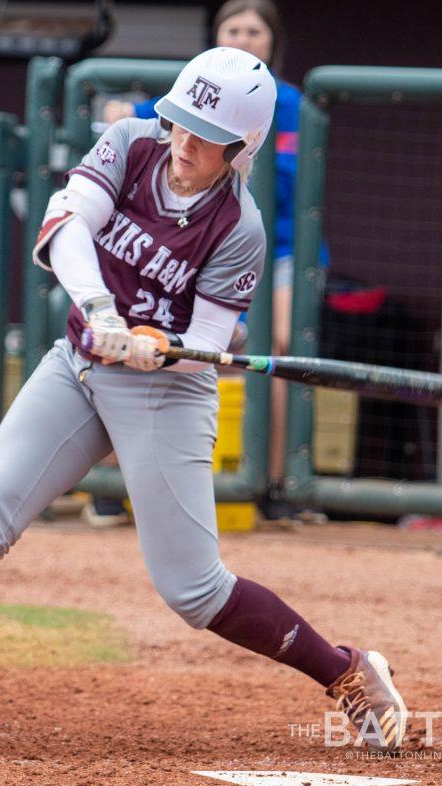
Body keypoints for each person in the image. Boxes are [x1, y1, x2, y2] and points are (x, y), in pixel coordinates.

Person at [0, 48, 408, 753]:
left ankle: (347, 671)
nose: (182, 142)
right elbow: (66, 226)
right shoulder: (128, 144)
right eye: (179, 121)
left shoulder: (240, 231)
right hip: (79, 364)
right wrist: (103, 314)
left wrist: (166, 346)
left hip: (167, 394)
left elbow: (207, 340)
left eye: (204, 135)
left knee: (195, 592)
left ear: (241, 149)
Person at [102, 0, 327, 521]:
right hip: (190, 248)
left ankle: (273, 486)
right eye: (234, 28)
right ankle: (111, 484)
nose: (245, 38)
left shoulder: (294, 105)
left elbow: (292, 187)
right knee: (134, 330)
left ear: (272, 41)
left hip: (280, 249)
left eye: (255, 30)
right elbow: (143, 126)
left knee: (278, 344)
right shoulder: (190, 96)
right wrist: (119, 112)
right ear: (216, 36)